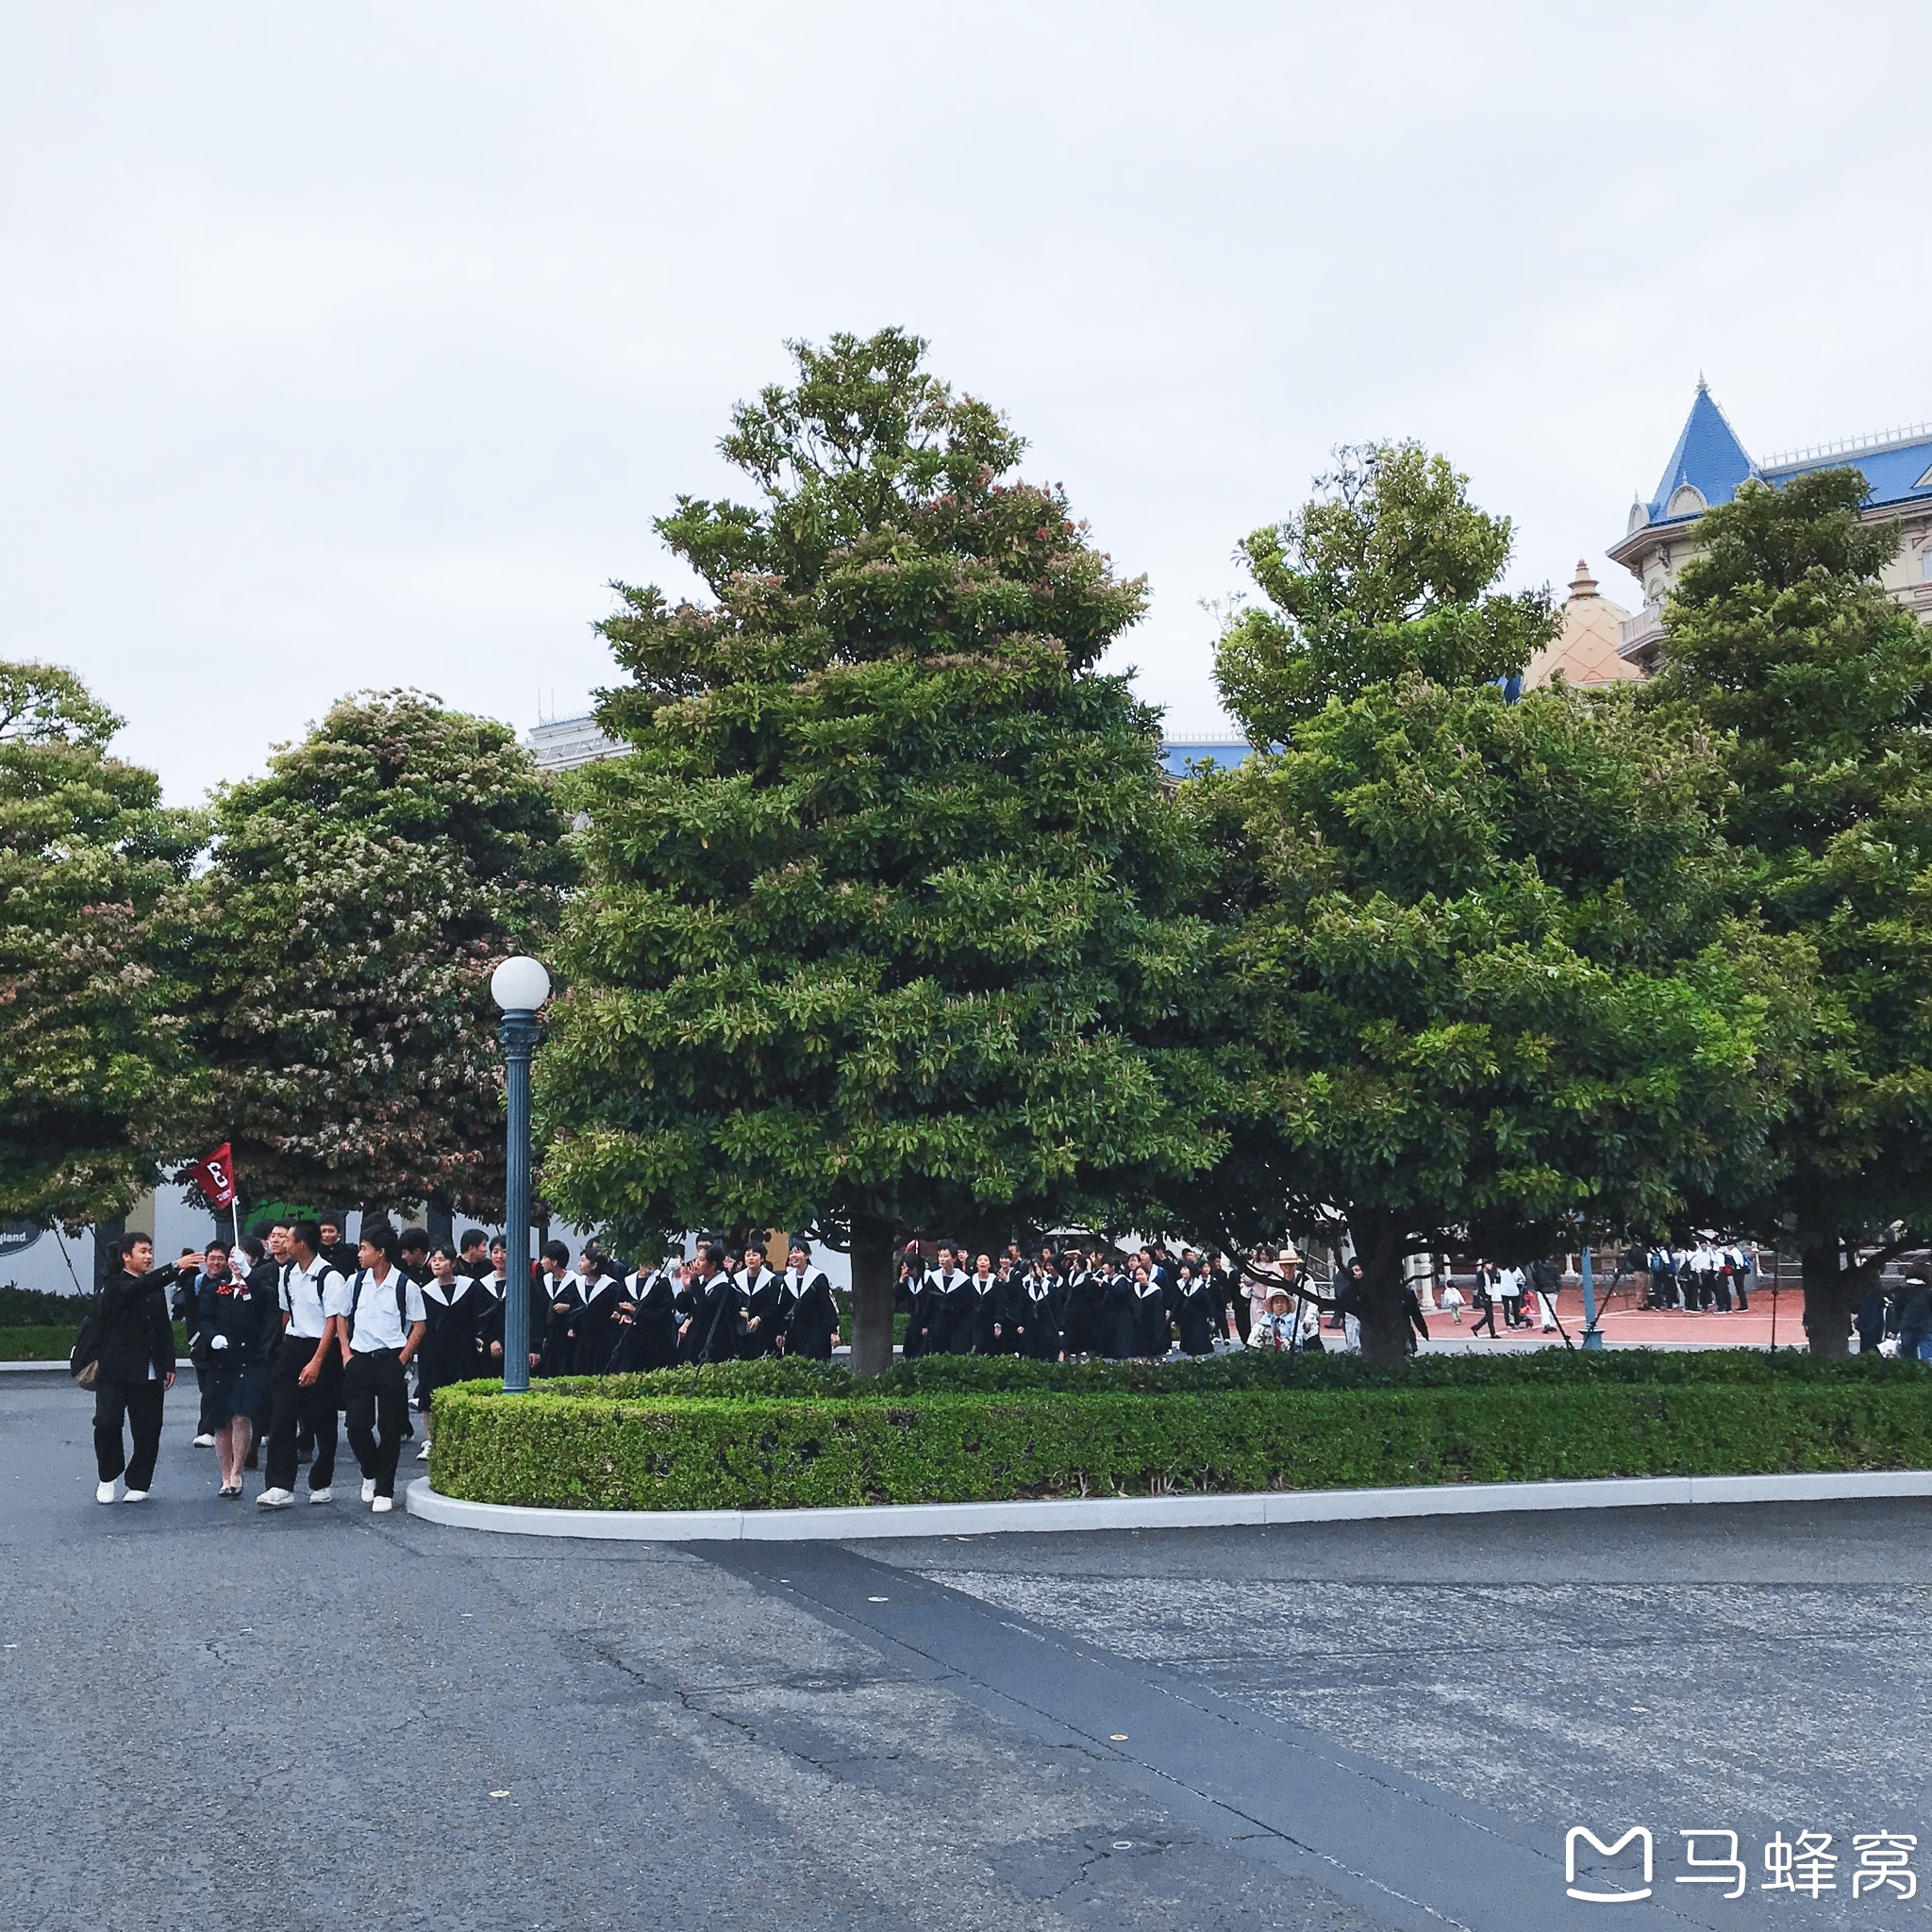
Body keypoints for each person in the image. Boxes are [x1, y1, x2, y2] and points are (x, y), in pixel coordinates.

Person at [258, 1218, 352, 1508]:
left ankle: (321, 1481)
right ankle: (280, 1485)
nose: (282, 1244)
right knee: (282, 1416)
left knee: (320, 1417)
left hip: (322, 1349)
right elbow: (287, 1314)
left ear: (302, 1244)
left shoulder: (330, 1276)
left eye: (288, 1239)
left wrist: (316, 1362)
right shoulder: (287, 1274)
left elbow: (332, 1322)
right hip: (293, 1346)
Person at [89, 1233, 188, 1503]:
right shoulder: (115, 1284)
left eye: (150, 1251)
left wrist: (169, 1363)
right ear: (126, 1256)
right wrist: (174, 1268)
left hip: (149, 1370)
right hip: (115, 1370)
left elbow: (163, 1328)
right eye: (142, 1251)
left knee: (148, 1428)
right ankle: (108, 1476)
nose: (148, 1256)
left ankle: (139, 1482)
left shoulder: (152, 1286)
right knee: (107, 1423)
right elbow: (134, 1291)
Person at [338, 1223, 426, 1512]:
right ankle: (370, 1470)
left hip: (390, 1360)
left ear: (381, 1252)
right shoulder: (355, 1282)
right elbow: (341, 1316)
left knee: (390, 1428)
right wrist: (345, 1353)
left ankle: (384, 1489)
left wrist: (401, 1359)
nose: (360, 1254)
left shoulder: (405, 1285)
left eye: (365, 1249)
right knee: (356, 1426)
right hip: (359, 1360)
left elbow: (419, 1326)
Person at [197, 1245, 274, 1497]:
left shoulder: (258, 1288)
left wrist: (249, 1275)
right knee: (222, 1420)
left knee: (241, 1416)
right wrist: (212, 1337)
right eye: (231, 1257)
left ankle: (237, 1472)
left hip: (249, 1359)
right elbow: (204, 1319)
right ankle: (224, 1474)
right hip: (222, 1360)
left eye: (239, 1258)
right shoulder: (214, 1290)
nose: (233, 1262)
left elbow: (264, 1302)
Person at [610, 1255, 681, 1373]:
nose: (650, 1264)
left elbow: (664, 1312)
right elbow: (620, 1303)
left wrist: (636, 1311)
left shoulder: (661, 1282)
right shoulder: (629, 1281)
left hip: (657, 1339)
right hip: (632, 1339)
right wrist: (623, 1314)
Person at [778, 1242, 838, 1359]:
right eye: (791, 1253)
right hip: (795, 1332)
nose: (793, 1255)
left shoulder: (818, 1278)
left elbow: (827, 1306)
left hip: (817, 1331)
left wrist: (833, 1331)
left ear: (807, 1255)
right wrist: (780, 1332)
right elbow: (783, 1308)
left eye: (797, 1252)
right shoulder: (787, 1280)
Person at [738, 1244, 786, 1359]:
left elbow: (773, 1306)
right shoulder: (737, 1279)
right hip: (742, 1329)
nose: (751, 1258)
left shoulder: (772, 1281)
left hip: (765, 1330)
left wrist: (759, 1318)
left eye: (754, 1255)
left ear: (762, 1258)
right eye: (748, 1255)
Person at [1172, 1264, 1218, 1357]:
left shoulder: (1199, 1285)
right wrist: (1173, 1319)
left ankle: (1198, 1360)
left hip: (1198, 1317)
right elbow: (1175, 1303)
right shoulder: (1179, 1284)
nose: (1182, 1271)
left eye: (1185, 1268)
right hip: (1185, 1318)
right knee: (1187, 1340)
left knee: (1198, 1340)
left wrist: (1211, 1317)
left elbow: (1206, 1302)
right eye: (1182, 1268)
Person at [1893, 1275, 1932, 1363]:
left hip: (1908, 1327)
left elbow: (1897, 1311)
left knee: (1908, 1358)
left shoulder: (1902, 1293)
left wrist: (1895, 1328)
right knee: (1928, 1357)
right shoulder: (1928, 1293)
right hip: (1927, 1328)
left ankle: (1910, 1375)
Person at [1247, 1284, 1296, 1351]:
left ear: (1287, 1305)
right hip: (1268, 1349)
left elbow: (1298, 1335)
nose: (1280, 1305)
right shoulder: (1266, 1318)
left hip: (1288, 1348)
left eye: (1283, 1302)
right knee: (1258, 1327)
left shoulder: (1292, 1318)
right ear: (1272, 1305)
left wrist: (1288, 1341)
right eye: (1277, 1302)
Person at [1471, 1266, 1500, 1340]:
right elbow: (1480, 1286)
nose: (1491, 1266)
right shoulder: (1480, 1274)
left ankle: (1476, 1327)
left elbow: (1493, 1282)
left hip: (1490, 1295)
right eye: (1489, 1264)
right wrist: (1484, 1297)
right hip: (1485, 1296)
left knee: (1489, 1315)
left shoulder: (1489, 1273)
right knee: (1490, 1315)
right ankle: (1492, 1333)